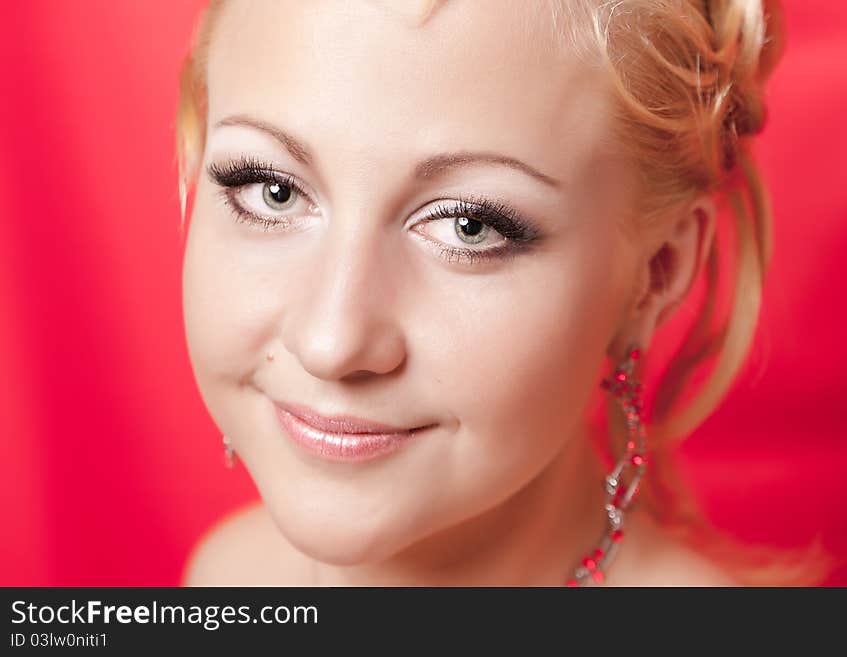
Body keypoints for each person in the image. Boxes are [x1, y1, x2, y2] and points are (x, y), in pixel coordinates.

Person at [176, 0, 813, 586]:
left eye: (469, 226)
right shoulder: (229, 578)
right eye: (272, 189)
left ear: (656, 275)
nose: (332, 341)